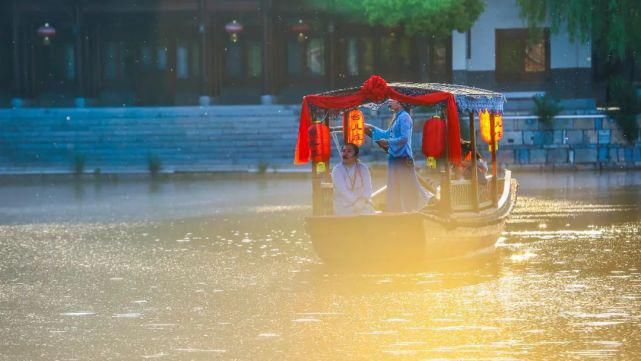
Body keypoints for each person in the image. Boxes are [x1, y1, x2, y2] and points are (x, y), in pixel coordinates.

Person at [365, 99, 431, 212]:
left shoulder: (404, 117)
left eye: (392, 101)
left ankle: (413, 211)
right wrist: (372, 127)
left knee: (407, 188)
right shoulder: (397, 117)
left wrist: (388, 142)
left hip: (403, 159)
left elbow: (404, 138)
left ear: (400, 103)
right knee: (394, 188)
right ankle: (398, 213)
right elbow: (387, 133)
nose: (389, 103)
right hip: (395, 158)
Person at [331, 143, 375, 216]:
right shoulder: (337, 169)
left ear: (356, 156)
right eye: (344, 151)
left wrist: (362, 201)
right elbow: (343, 190)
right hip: (344, 205)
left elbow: (368, 188)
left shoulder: (363, 168)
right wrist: (356, 202)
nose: (345, 154)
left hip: (362, 204)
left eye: (349, 151)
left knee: (368, 213)